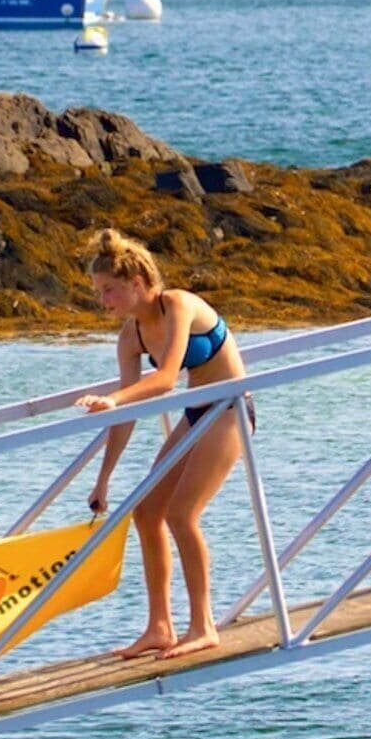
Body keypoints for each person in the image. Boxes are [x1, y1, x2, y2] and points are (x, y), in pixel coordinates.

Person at [74, 229, 248, 659]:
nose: (104, 301)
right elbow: (126, 413)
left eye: (109, 290)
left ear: (136, 283)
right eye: (99, 292)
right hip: (195, 414)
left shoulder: (179, 305)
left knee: (181, 513)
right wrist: (104, 480)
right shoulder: (130, 336)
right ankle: (160, 626)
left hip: (230, 409)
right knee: (146, 511)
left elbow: (167, 378)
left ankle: (203, 625)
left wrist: (113, 398)